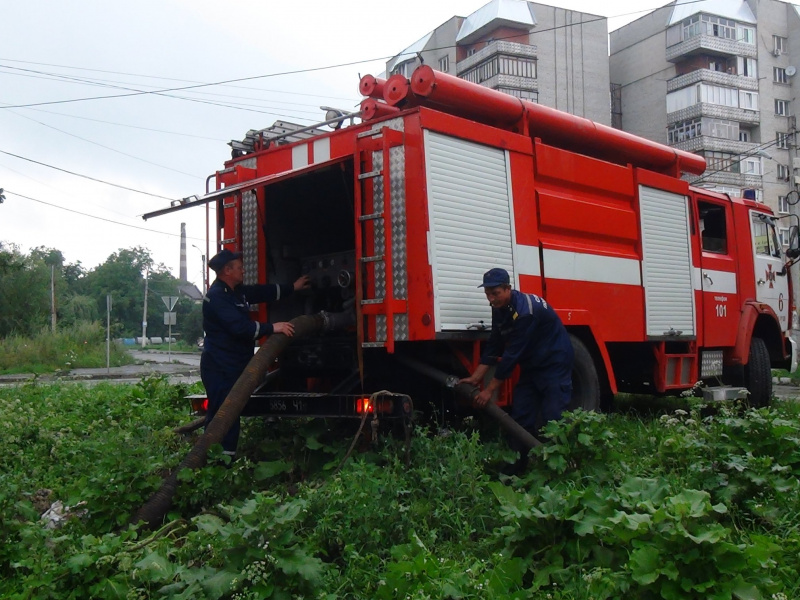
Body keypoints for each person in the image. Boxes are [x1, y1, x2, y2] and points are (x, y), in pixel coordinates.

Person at [459, 267, 574, 475]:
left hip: (554, 362)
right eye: (488, 294)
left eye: (495, 293)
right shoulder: (499, 308)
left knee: (553, 417)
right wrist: (475, 378)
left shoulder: (525, 312)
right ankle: (517, 469)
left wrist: (489, 391)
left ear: (508, 288)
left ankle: (560, 469)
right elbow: (494, 345)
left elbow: (511, 355)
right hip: (532, 364)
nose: (491, 299)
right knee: (521, 415)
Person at [201, 249, 310, 456]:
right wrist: (273, 328)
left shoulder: (235, 292)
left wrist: (292, 288)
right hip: (220, 367)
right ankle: (219, 462)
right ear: (227, 271)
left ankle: (218, 459)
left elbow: (262, 292)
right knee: (224, 415)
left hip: (232, 364)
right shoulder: (217, 298)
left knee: (228, 414)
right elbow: (241, 328)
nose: (243, 270)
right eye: (239, 267)